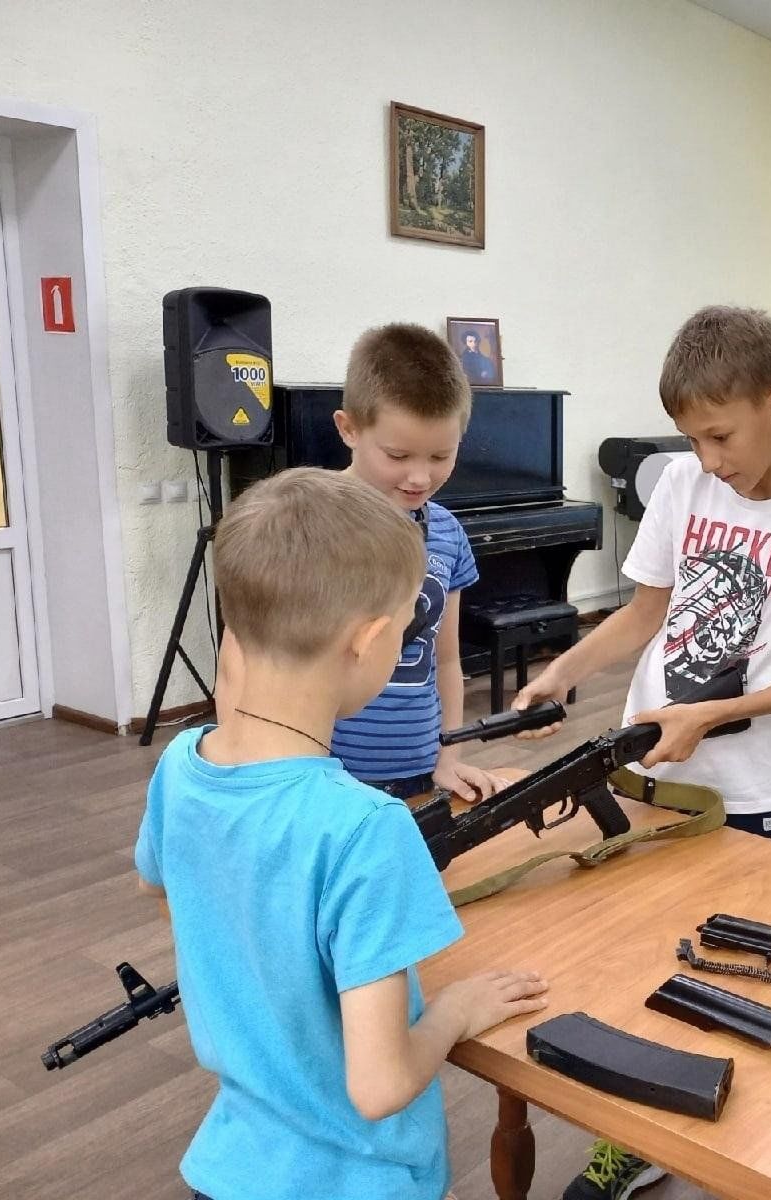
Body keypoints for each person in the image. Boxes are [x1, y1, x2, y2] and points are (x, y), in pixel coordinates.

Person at [513, 305, 771, 1199]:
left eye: (721, 435)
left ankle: (711, 1141)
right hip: (648, 772)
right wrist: (563, 669)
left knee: (725, 975)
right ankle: (634, 1134)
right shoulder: (680, 483)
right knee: (638, 957)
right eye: (693, 439)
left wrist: (712, 717)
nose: (709, 460)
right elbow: (644, 614)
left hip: (749, 794)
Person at [135, 468, 548, 1200]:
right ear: (372, 641)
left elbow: (166, 888)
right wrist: (455, 1009)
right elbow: (381, 1085)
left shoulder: (178, 766)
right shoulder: (366, 829)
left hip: (231, 1169)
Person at [329, 322, 495, 801]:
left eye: (442, 455)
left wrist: (450, 756)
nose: (420, 477)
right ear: (349, 429)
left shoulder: (446, 532)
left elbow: (447, 659)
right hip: (328, 779)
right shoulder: (311, 524)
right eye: (398, 455)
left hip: (421, 772)